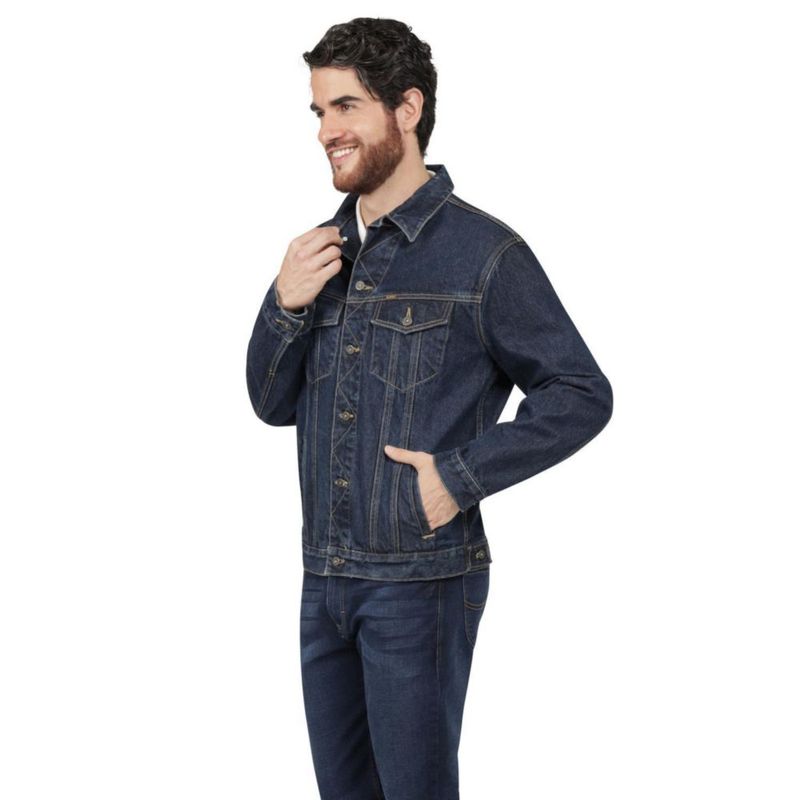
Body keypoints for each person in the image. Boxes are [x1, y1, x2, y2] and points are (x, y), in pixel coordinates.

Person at [246, 17, 613, 800]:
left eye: (346, 107)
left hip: (419, 585)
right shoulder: (319, 253)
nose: (326, 132)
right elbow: (271, 404)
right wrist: (284, 304)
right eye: (319, 112)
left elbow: (581, 391)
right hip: (323, 578)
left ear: (407, 109)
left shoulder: (483, 254)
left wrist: (459, 476)